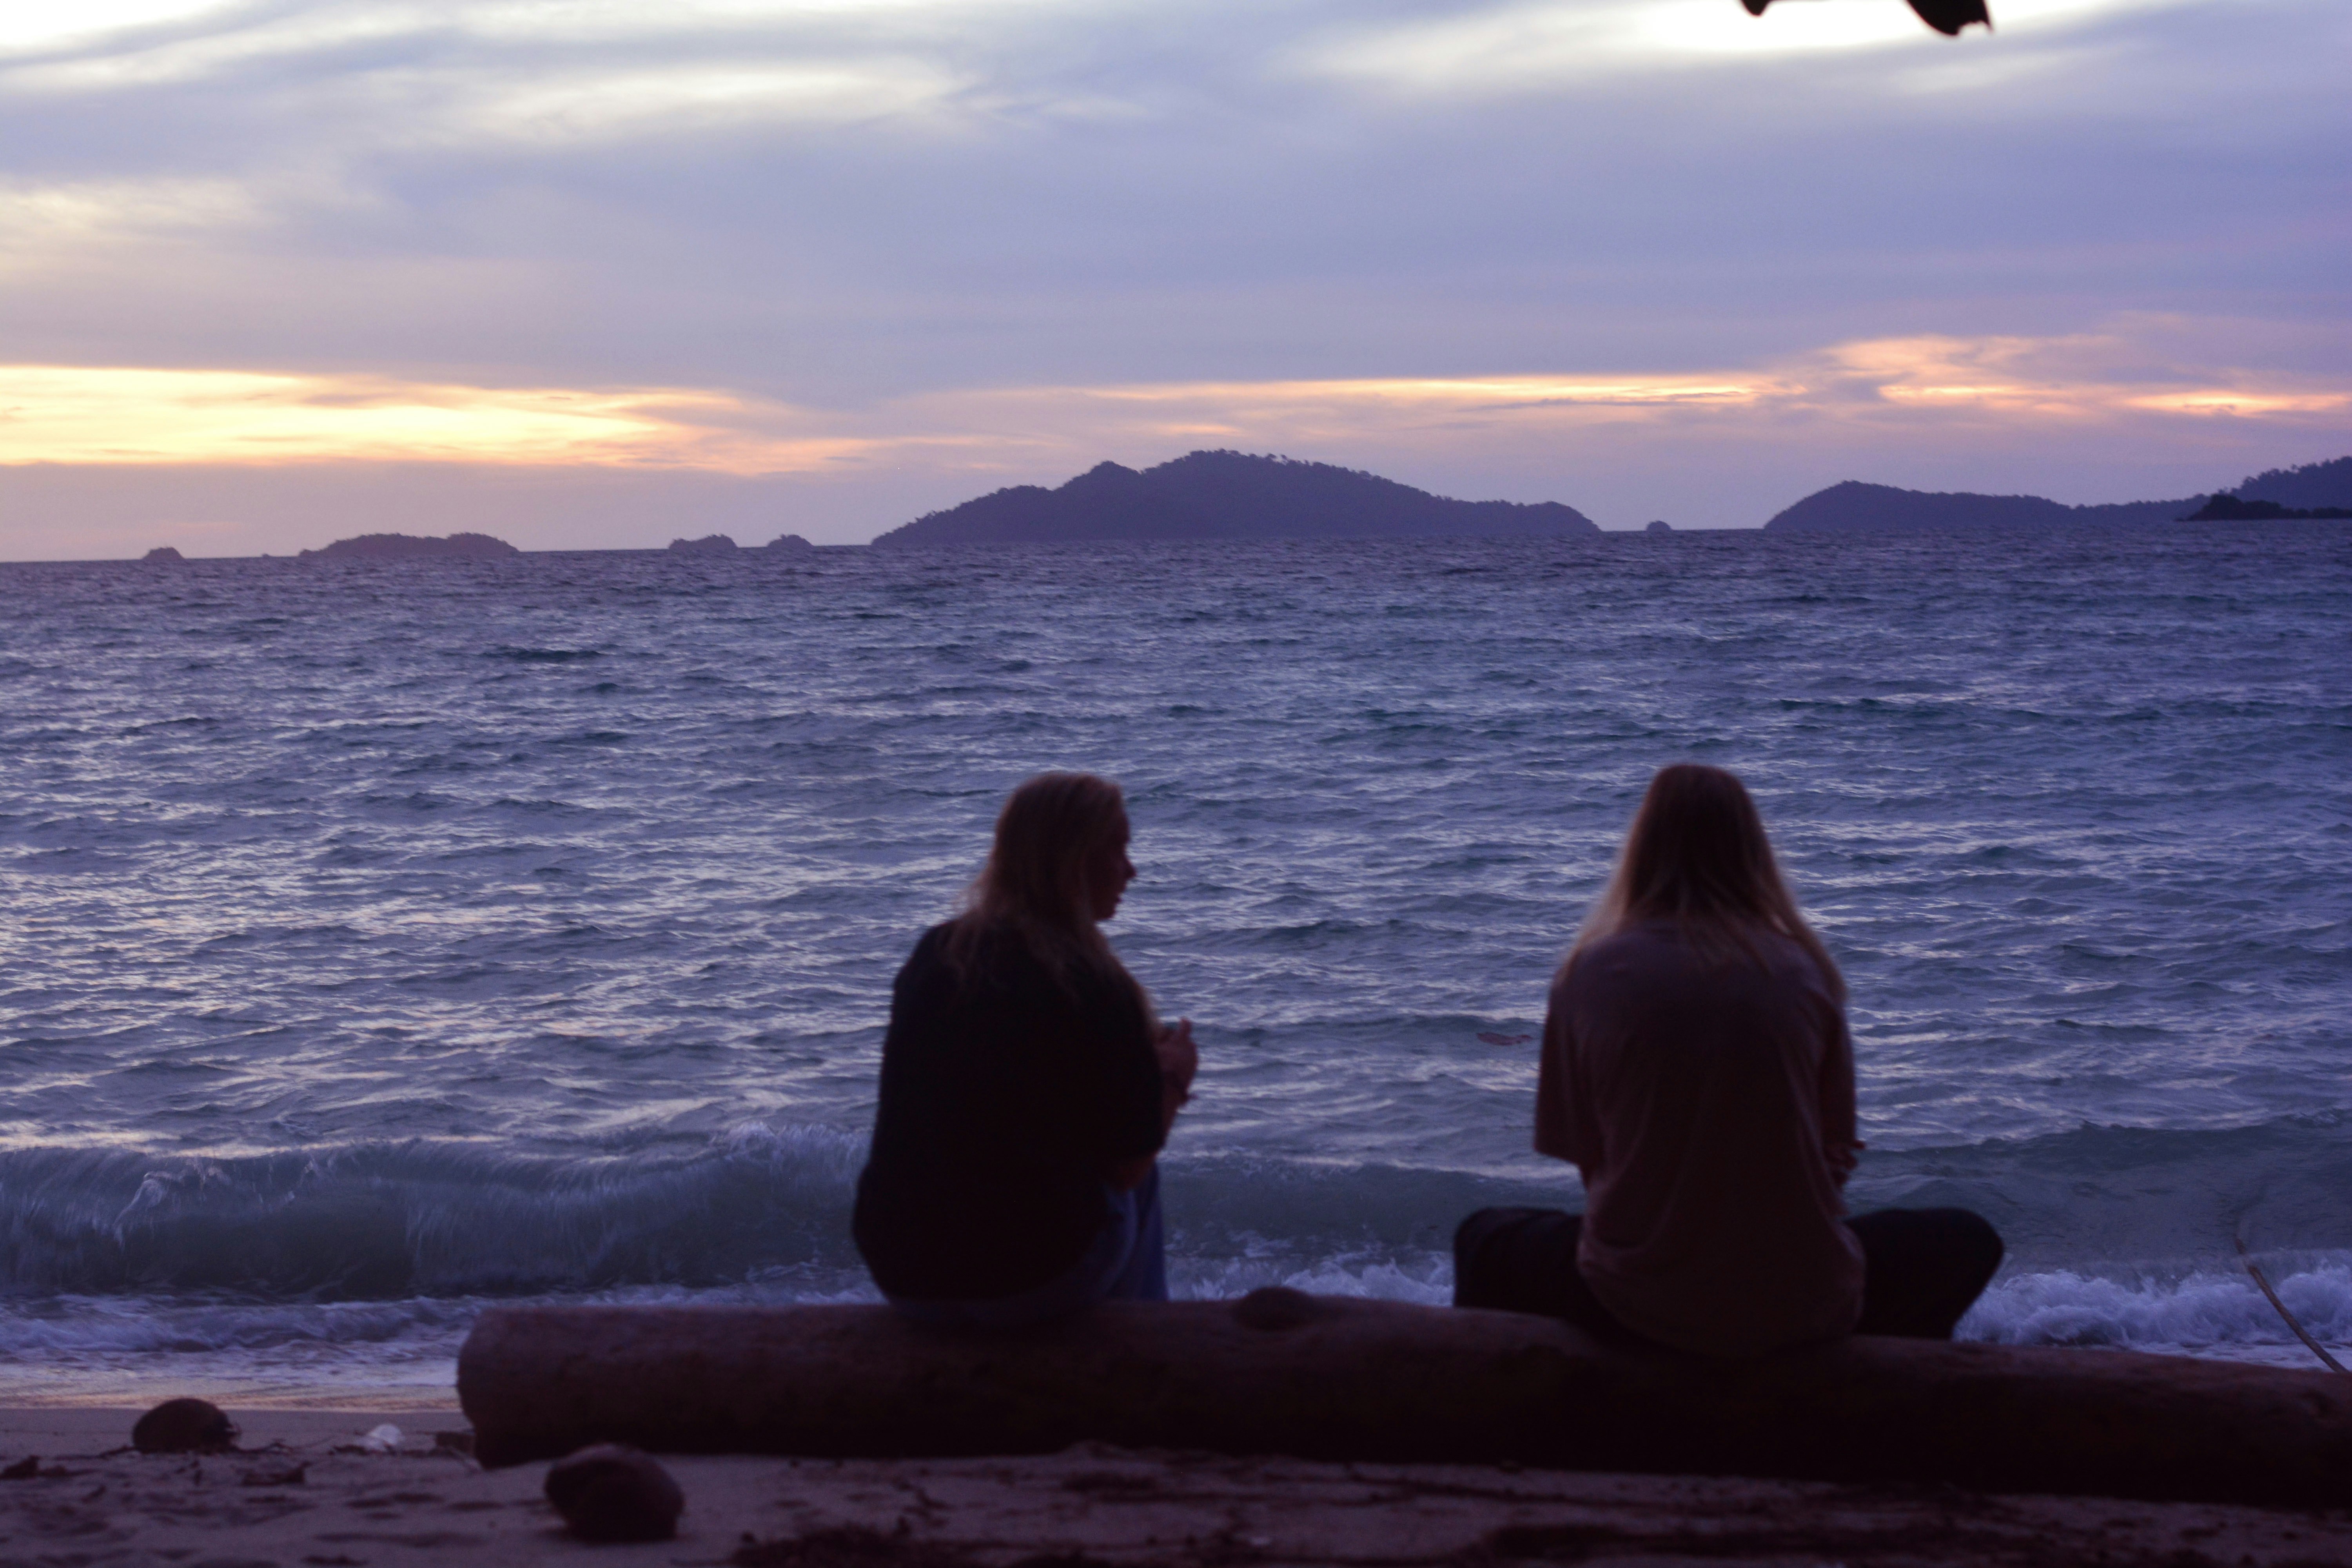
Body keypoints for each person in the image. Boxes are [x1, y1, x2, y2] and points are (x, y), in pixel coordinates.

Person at [1454, 763, 2002, 1357]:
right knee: (1967, 1239)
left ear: (1642, 846)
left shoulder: (1586, 975)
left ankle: (1509, 1405)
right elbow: (1835, 1156)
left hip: (1635, 1305)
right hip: (1803, 1301)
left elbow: (1591, 1162)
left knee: (1483, 1237)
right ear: (1753, 850)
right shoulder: (1805, 974)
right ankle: (1867, 1384)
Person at [853, 771, 1198, 1327]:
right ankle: (1139, 1351)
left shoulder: (937, 954)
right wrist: (1173, 1079)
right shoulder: (1088, 980)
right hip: (1031, 1283)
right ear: (1072, 860)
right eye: (1117, 848)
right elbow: (1129, 1162)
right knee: (1141, 1183)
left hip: (902, 1273)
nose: (1131, 870)